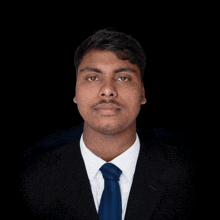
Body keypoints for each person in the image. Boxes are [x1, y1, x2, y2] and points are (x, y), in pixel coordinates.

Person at [20, 29, 198, 220]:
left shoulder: (192, 176)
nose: (107, 90)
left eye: (123, 78)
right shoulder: (30, 179)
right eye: (93, 78)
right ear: (75, 92)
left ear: (143, 93)